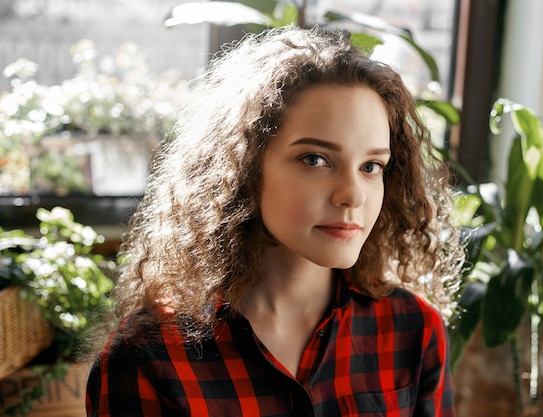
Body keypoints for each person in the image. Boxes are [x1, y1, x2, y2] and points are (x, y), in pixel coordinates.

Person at [85, 25, 465, 417]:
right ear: (241, 169)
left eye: (371, 166)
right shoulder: (149, 357)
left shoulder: (412, 330)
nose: (353, 194)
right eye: (315, 159)